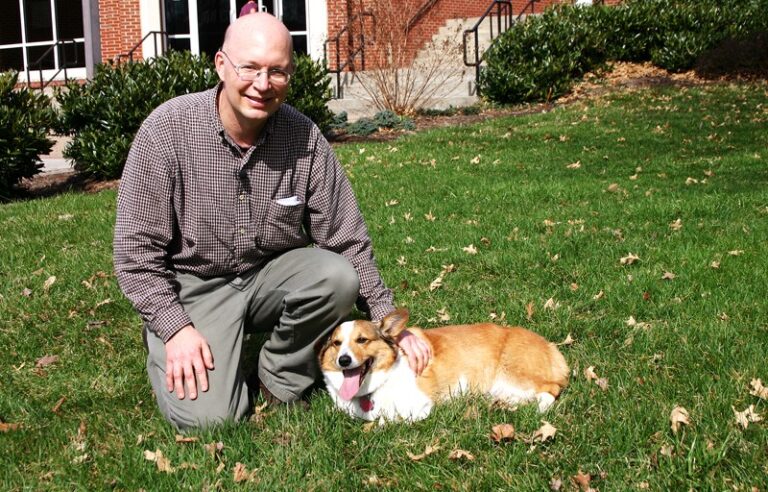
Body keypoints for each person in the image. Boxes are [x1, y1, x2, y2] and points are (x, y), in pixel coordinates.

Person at [114, 13, 431, 430]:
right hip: (195, 285)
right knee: (211, 421)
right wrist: (174, 328)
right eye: (250, 68)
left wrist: (389, 326)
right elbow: (135, 255)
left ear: (289, 75)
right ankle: (180, 345)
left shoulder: (303, 137)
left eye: (277, 71)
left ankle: (278, 376)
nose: (263, 84)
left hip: (270, 277)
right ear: (221, 65)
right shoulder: (167, 131)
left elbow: (348, 240)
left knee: (337, 276)